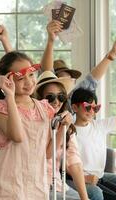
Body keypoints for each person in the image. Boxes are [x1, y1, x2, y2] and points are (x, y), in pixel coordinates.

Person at [0, 51, 61, 200]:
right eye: (20, 77)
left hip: (37, 183)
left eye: (31, 74)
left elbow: (47, 153)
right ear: (7, 79)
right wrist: (9, 96)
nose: (29, 82)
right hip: (7, 184)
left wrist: (62, 128)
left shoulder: (44, 108)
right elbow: (17, 136)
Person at [35, 71, 89, 200]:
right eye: (50, 97)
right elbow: (48, 154)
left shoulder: (64, 121)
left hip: (58, 184)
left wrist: (85, 198)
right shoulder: (36, 123)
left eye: (60, 97)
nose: (56, 102)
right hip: (39, 185)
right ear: (40, 99)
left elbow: (74, 161)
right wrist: (62, 129)